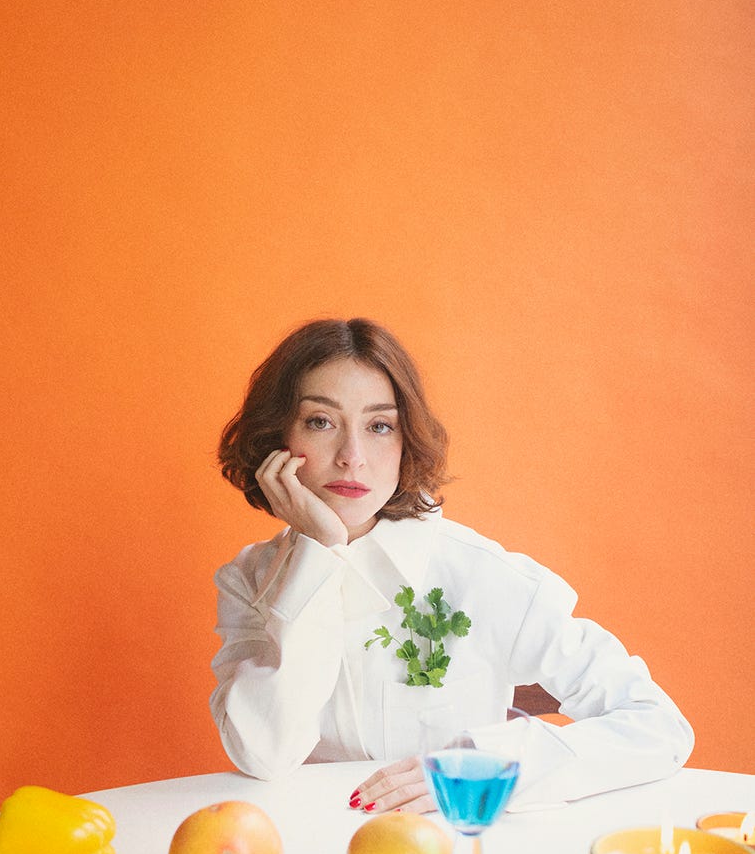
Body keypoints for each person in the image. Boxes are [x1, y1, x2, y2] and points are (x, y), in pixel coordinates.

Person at [210, 318, 693, 813]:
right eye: (321, 421)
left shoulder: (480, 575)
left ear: (405, 443)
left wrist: (485, 764)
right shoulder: (249, 581)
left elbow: (657, 724)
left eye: (380, 426)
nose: (352, 457)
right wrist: (320, 549)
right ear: (277, 438)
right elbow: (264, 754)